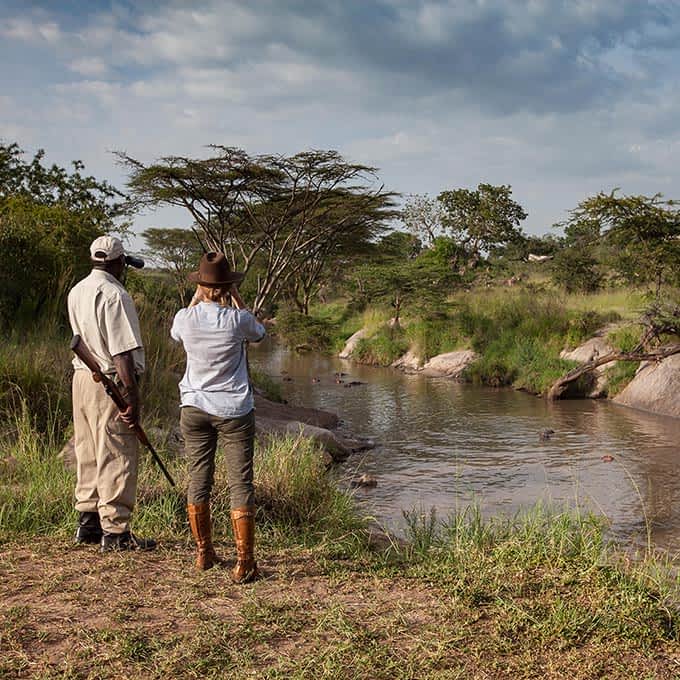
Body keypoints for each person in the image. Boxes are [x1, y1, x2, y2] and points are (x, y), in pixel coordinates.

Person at [170, 251, 265, 581]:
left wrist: (198, 297)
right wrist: (236, 298)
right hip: (234, 410)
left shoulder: (185, 317)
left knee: (199, 479)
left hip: (194, 407)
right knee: (241, 483)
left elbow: (177, 332)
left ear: (200, 285)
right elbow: (260, 334)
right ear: (227, 287)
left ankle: (203, 553)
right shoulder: (237, 319)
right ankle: (244, 562)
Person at [67, 235, 156, 552]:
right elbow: (122, 355)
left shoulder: (77, 290)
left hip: (82, 379)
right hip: (108, 380)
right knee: (116, 452)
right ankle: (116, 532)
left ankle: (88, 524)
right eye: (124, 265)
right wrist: (131, 397)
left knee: (88, 450)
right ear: (118, 262)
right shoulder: (116, 294)